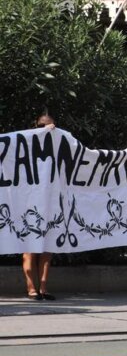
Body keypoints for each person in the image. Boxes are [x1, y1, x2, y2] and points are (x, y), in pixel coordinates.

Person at [22, 114, 57, 301]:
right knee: (29, 248)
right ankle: (31, 288)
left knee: (46, 249)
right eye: (44, 126)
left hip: (49, 203)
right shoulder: (27, 145)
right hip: (29, 204)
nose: (49, 129)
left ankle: (43, 287)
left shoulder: (57, 147)